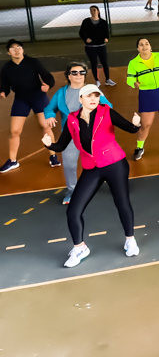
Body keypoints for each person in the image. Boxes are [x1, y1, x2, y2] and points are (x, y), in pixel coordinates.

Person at [40, 85, 142, 267]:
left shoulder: (107, 112)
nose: (93, 99)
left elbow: (130, 128)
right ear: (81, 99)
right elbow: (61, 145)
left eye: (96, 95)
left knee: (122, 202)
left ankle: (130, 240)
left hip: (115, 164)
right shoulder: (72, 120)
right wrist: (49, 145)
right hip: (91, 168)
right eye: (89, 96)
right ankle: (80, 248)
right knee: (73, 211)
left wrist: (136, 124)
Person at [45, 62, 114, 204]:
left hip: (93, 135)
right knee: (69, 165)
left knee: (104, 161)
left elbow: (108, 106)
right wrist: (50, 116)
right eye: (74, 72)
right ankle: (72, 191)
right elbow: (49, 108)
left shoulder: (92, 90)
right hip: (70, 135)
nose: (78, 75)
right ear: (68, 76)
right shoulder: (61, 93)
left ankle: (114, 184)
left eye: (82, 72)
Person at [0, 39, 57, 173]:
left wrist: (48, 85)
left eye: (19, 47)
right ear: (9, 52)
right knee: (14, 131)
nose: (16, 50)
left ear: (23, 50)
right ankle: (12, 161)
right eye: (13, 48)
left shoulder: (33, 62)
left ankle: (53, 155)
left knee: (45, 125)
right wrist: (3, 92)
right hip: (21, 100)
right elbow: (5, 85)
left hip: (38, 97)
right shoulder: (6, 68)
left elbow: (48, 77)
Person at [126, 38, 159, 160]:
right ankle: (139, 147)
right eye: (141, 45)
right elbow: (129, 79)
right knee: (146, 124)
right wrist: (134, 83)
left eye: (147, 44)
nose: (144, 46)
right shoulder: (133, 63)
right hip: (147, 94)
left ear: (150, 47)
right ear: (138, 49)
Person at [79, 5, 115, 86]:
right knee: (94, 63)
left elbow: (106, 32)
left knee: (104, 63)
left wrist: (106, 38)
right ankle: (97, 80)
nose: (93, 12)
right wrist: (86, 39)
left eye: (94, 10)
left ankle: (107, 79)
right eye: (91, 10)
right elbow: (81, 32)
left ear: (98, 11)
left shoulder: (103, 22)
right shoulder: (86, 21)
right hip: (90, 47)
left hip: (101, 46)